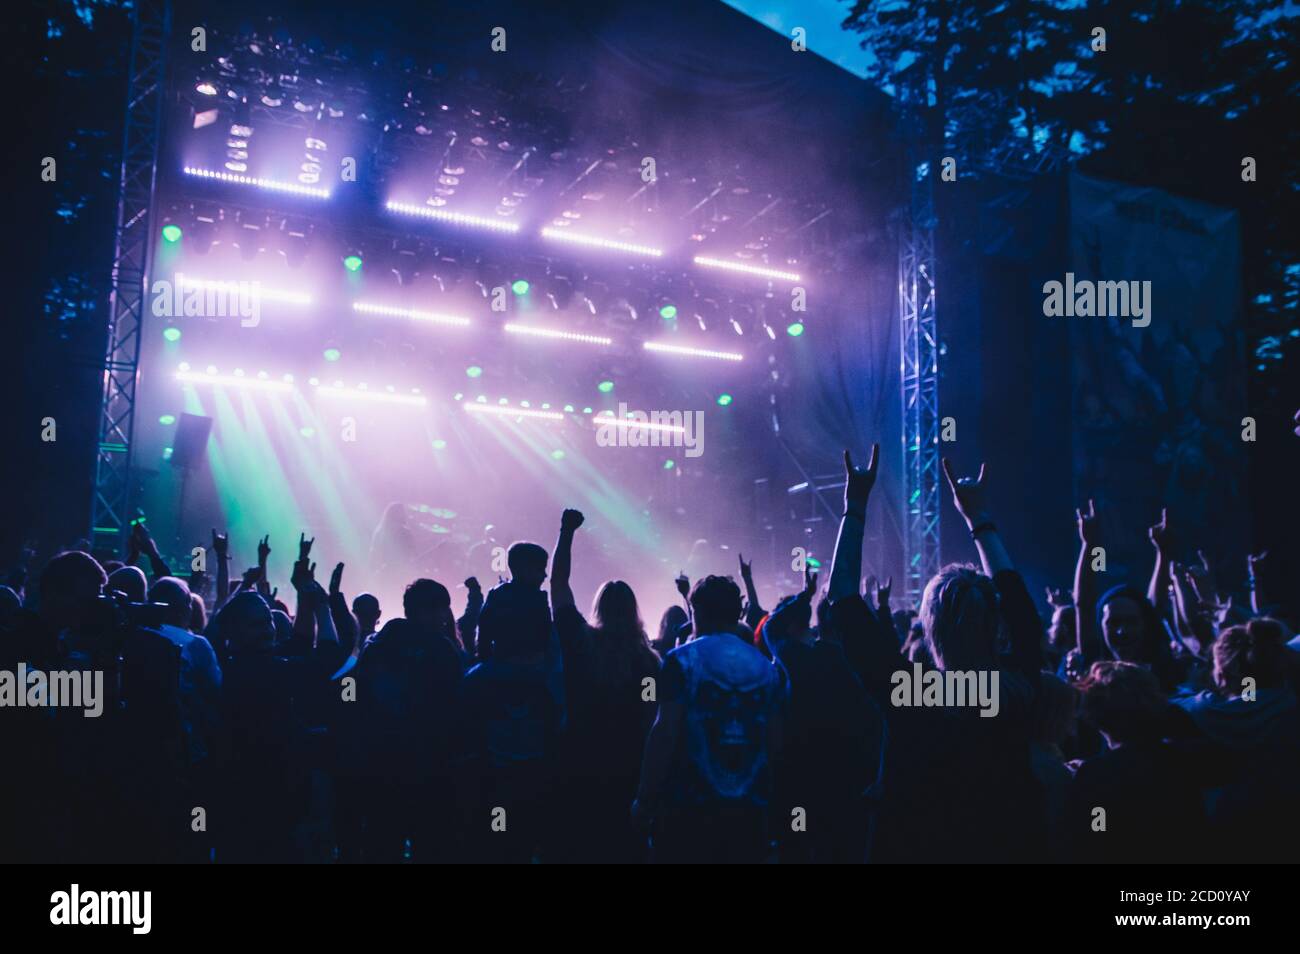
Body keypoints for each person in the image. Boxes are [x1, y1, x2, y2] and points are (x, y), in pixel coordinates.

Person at [828, 449, 1047, 862]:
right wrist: (977, 518)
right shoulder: (1017, 688)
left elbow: (842, 599)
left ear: (930, 626)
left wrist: (854, 508)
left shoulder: (911, 691)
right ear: (996, 626)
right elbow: (1021, 610)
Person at [633, 573, 784, 864]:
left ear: (698, 611)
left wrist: (645, 799)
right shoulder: (768, 670)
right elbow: (776, 743)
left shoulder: (681, 661)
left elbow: (664, 732)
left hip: (688, 811)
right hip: (750, 813)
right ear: (737, 612)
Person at [549, 509, 660, 862]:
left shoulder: (582, 644)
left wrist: (566, 533)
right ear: (633, 610)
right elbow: (650, 716)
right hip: (627, 771)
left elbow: (558, 586)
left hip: (579, 765)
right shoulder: (648, 664)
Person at [456, 581, 564, 862]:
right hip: (540, 786)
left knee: (500, 846)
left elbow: (466, 740)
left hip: (495, 788)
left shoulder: (477, 680)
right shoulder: (552, 679)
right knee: (531, 845)